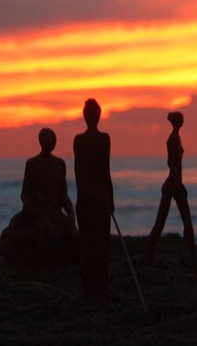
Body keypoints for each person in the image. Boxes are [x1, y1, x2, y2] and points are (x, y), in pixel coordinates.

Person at [1, 128, 78, 275]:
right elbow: (24, 194)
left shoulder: (59, 164)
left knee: (72, 233)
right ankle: (43, 267)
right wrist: (32, 208)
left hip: (54, 212)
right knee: (43, 230)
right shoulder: (32, 164)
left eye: (53, 140)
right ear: (42, 142)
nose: (51, 143)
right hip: (36, 213)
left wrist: (71, 214)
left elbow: (63, 195)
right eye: (49, 140)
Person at [143, 111, 197, 274]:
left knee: (185, 223)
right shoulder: (172, 138)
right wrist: (178, 182)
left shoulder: (177, 136)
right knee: (167, 223)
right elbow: (170, 162)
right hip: (173, 184)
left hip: (175, 183)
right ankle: (148, 258)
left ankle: (194, 262)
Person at [74, 99, 115, 302]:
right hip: (99, 197)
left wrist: (81, 195)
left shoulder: (78, 140)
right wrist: (110, 198)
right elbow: (105, 172)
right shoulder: (104, 139)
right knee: (101, 245)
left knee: (86, 244)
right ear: (98, 116)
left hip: (86, 197)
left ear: (84, 116)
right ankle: (101, 289)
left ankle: (88, 289)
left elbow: (78, 173)